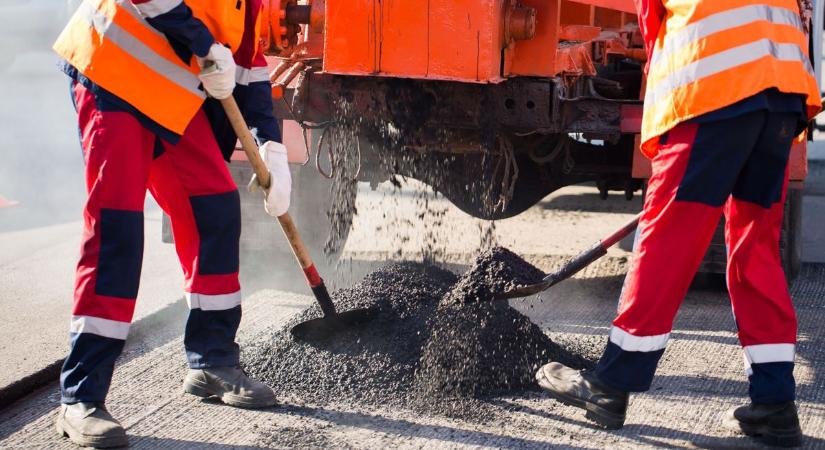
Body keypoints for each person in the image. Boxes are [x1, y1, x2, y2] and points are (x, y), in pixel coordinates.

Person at [535, 0, 821, 447]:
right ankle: (775, 405)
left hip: (714, 92)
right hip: (782, 98)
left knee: (666, 239)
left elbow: (652, 23)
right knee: (755, 249)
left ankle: (610, 384)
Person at [52, 0, 291, 447]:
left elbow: (248, 63)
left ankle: (212, 361)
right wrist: (200, 40)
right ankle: (80, 398)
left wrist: (270, 145)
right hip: (113, 74)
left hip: (169, 99)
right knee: (117, 231)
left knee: (215, 207)